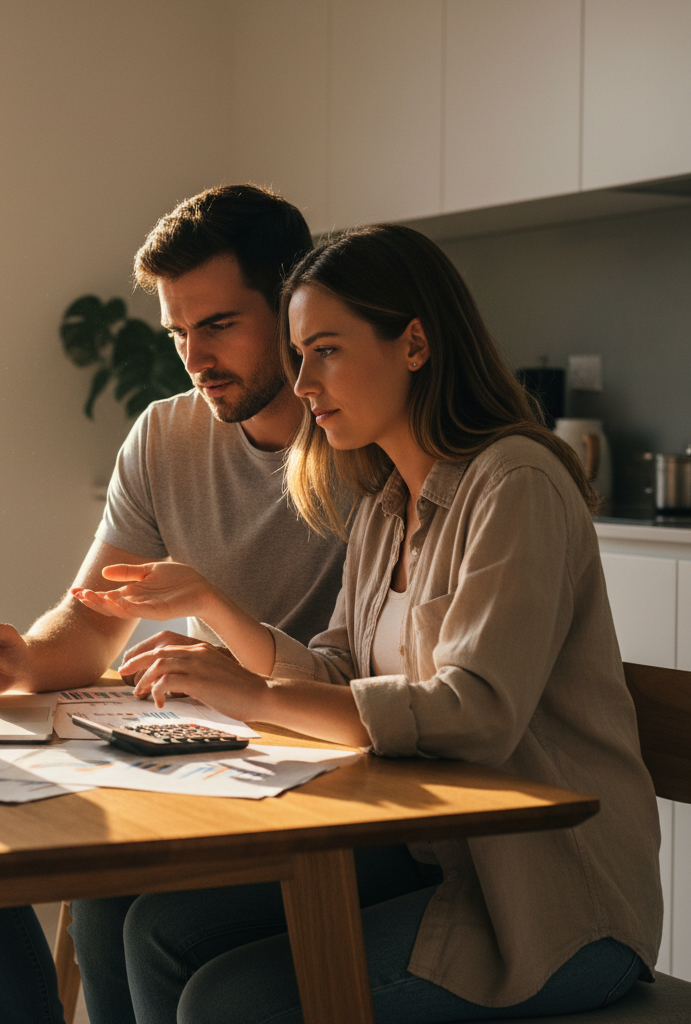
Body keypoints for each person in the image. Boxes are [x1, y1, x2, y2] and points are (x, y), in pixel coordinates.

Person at [70, 224, 663, 1024]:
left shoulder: (516, 484)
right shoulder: (386, 501)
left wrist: (256, 698)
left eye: (325, 352)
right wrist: (216, 618)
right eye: (297, 355)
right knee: (154, 931)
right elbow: (339, 671)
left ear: (414, 344)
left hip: (546, 904)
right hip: (432, 858)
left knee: (226, 1000)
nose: (302, 382)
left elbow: (477, 713)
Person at [0, 184, 351, 1024]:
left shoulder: (360, 438)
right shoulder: (165, 436)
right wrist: (23, 658)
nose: (195, 357)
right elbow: (93, 618)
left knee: (113, 906)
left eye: (219, 324)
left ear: (293, 305)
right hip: (221, 761)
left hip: (334, 766)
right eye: (178, 332)